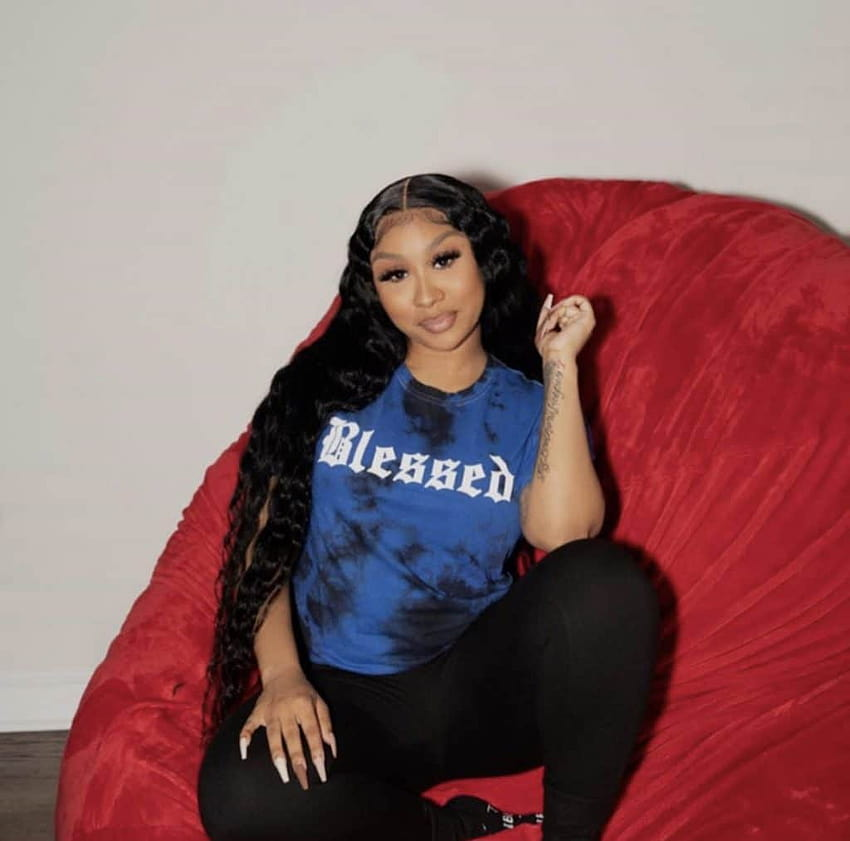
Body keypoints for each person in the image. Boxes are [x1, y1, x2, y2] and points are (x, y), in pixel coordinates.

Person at [197, 174, 658, 841]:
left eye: (444, 259)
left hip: (479, 693)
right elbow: (261, 544)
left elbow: (565, 533)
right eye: (396, 274)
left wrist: (558, 366)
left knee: (607, 581)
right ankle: (447, 831)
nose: (426, 294)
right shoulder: (323, 389)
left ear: (483, 259)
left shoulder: (526, 403)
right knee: (240, 797)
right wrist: (284, 675)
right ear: (372, 289)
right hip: (348, 702)